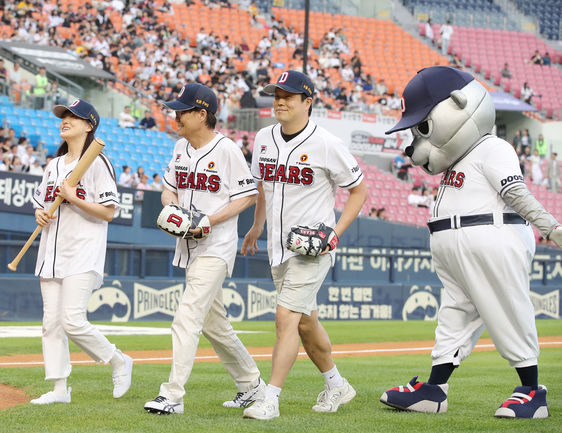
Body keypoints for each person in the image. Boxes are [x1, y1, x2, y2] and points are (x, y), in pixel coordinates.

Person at [380, 66, 560, 419]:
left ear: (460, 104)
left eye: (423, 128)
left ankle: (532, 390)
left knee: (507, 308)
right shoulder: (456, 159)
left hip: (494, 235)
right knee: (454, 316)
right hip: (455, 247)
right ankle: (435, 390)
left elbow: (515, 192)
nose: (415, 144)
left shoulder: (493, 147)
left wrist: (551, 228)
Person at [241, 71, 368, 420]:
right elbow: (263, 186)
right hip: (277, 248)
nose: (279, 101)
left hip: (311, 249)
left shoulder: (326, 142)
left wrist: (335, 232)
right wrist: (256, 226)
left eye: (289, 96)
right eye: (276, 95)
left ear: (307, 102)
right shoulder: (264, 137)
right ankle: (337, 385)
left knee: (285, 318)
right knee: (305, 323)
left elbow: (359, 190)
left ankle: (271, 399)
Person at [144, 83, 264, 415]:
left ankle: (172, 395)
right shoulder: (180, 147)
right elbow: (168, 189)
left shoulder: (226, 149)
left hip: (216, 246)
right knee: (215, 325)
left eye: (182, 110)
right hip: (189, 246)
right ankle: (252, 384)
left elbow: (247, 195)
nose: (175, 115)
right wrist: (172, 209)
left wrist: (208, 219)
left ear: (202, 114)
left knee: (187, 316)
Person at [30, 99, 133, 405]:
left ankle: (117, 359)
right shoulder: (53, 165)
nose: (65, 120)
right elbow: (41, 202)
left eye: (73, 116)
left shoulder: (98, 162)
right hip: (50, 252)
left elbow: (108, 212)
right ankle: (60, 389)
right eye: (64, 116)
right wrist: (40, 214)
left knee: (72, 321)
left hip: (83, 251)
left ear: (89, 125)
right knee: (51, 324)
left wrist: (73, 197)